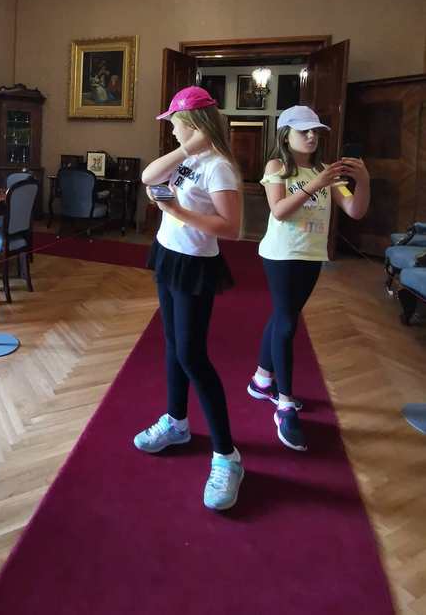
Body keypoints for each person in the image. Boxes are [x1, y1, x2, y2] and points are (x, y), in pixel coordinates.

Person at [135, 86, 244, 511]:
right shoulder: (190, 158)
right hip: (169, 254)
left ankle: (227, 456)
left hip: (196, 263)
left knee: (192, 356)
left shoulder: (219, 168)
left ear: (194, 124)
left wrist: (177, 211)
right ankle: (177, 422)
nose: (172, 131)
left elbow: (231, 228)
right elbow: (149, 177)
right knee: (172, 346)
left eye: (177, 124)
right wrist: (185, 152)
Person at [247, 105, 370, 452]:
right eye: (304, 131)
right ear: (286, 134)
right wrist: (316, 184)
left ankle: (261, 381)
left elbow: (355, 210)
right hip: (282, 255)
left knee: (283, 315)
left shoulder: (323, 170)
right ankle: (284, 404)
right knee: (287, 322)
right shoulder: (277, 167)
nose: (312, 136)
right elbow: (279, 211)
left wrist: (363, 181)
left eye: (316, 131)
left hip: (312, 256)